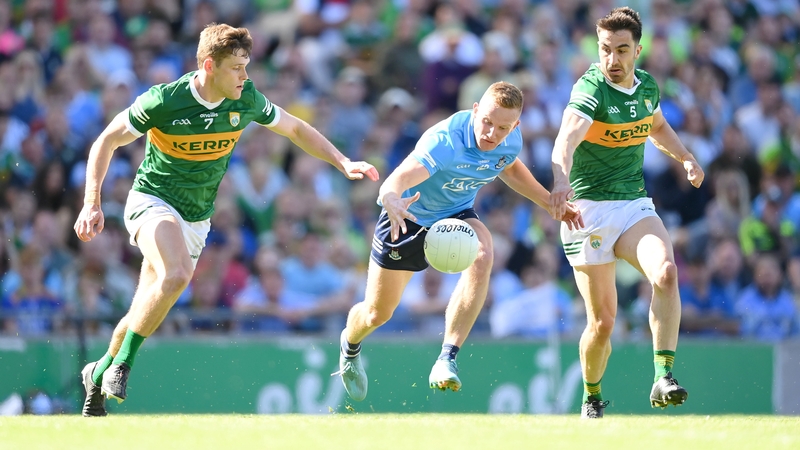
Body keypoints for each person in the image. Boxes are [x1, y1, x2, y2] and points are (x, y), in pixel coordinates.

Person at [73, 23, 379, 417]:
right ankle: (123, 366)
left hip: (197, 218)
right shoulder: (165, 100)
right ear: (209, 66)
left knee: (144, 307)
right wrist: (91, 202)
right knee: (178, 275)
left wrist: (342, 161)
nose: (245, 76)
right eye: (237, 68)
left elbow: (296, 129)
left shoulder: (246, 99)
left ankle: (97, 373)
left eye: (247, 66)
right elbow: (106, 140)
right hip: (153, 200)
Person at [332, 81, 583, 402]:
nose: (492, 133)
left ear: (516, 126)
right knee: (377, 314)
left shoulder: (509, 140)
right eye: (487, 122)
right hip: (407, 216)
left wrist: (550, 203)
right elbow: (400, 176)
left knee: (484, 253)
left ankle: (446, 357)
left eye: (503, 127)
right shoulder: (446, 140)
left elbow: (510, 168)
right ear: (475, 110)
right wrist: (389, 195)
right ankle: (350, 346)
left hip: (455, 214)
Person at [549, 7, 705, 419]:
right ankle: (592, 396)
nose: (612, 60)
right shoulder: (590, 90)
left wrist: (685, 156)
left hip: (633, 203)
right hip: (586, 212)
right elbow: (565, 139)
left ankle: (663, 375)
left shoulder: (648, 87)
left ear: (638, 50)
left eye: (621, 50)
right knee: (602, 324)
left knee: (667, 273)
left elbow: (655, 126)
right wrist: (560, 180)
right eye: (605, 50)